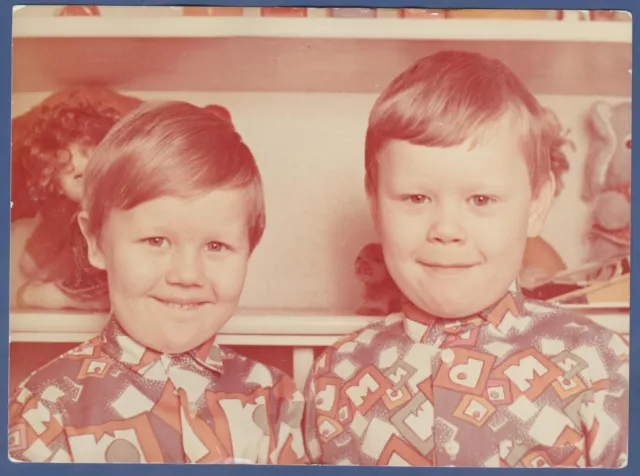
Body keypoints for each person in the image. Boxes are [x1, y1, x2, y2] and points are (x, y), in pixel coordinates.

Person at [304, 50, 629, 468]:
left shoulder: (604, 366)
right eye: (416, 198)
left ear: (536, 206)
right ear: (376, 206)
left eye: (481, 199)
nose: (447, 229)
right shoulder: (335, 375)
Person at [9, 101, 307, 465]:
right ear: (96, 243)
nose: (186, 275)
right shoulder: (44, 411)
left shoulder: (277, 401)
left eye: (216, 246)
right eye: (156, 241)